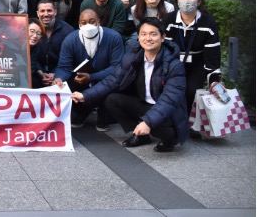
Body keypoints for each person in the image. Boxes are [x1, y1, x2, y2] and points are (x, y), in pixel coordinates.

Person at [72, 18, 188, 152]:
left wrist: (148, 122)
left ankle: (170, 140)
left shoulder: (174, 65)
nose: (148, 38)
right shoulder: (132, 57)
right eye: (143, 34)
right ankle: (140, 135)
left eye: (153, 34)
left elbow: (169, 100)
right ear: (138, 37)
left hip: (168, 112)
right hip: (145, 104)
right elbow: (113, 80)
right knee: (111, 100)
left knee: (157, 125)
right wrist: (85, 96)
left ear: (162, 37)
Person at [53, 8, 124, 128]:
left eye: (92, 21)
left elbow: (117, 67)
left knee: (105, 119)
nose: (88, 25)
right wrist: (59, 78)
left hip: (106, 80)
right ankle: (82, 112)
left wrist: (92, 77)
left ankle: (104, 116)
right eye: (84, 22)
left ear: (99, 22)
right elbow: (64, 67)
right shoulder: (70, 39)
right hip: (80, 80)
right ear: (79, 24)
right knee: (75, 120)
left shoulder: (114, 37)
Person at [162, 0, 221, 119]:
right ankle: (170, 119)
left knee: (191, 91)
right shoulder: (169, 20)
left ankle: (190, 122)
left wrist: (213, 80)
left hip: (196, 65)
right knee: (171, 89)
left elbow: (212, 54)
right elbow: (163, 47)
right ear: (177, 1)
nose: (186, 1)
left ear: (199, 1)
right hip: (173, 63)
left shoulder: (207, 23)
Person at [32, 0, 73, 87]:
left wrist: (57, 74)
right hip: (37, 74)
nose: (46, 14)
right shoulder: (31, 30)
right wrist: (40, 73)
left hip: (61, 75)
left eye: (49, 10)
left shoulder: (67, 31)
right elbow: (28, 55)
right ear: (37, 13)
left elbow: (70, 59)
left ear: (55, 12)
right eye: (42, 11)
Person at [27, 18, 50, 87]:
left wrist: (41, 74)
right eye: (32, 31)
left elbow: (33, 62)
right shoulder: (13, 46)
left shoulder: (37, 47)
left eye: (38, 33)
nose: (35, 36)